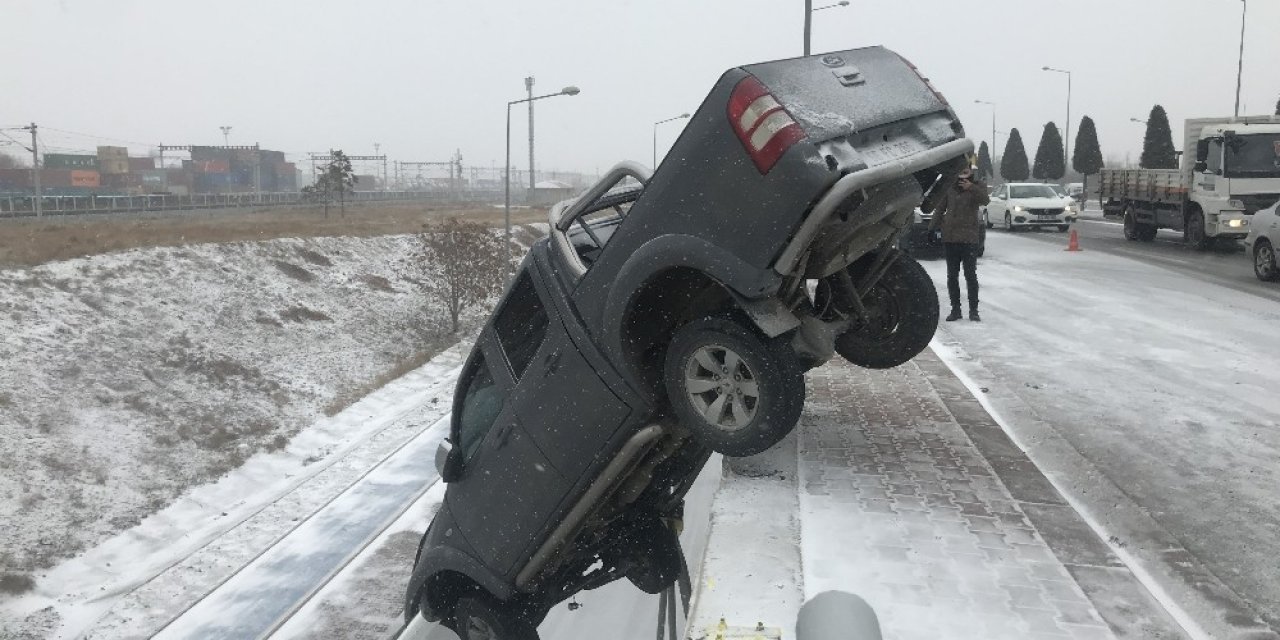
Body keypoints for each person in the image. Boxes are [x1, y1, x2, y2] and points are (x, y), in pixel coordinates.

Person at [928, 168, 988, 321]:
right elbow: (940, 209)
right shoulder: (950, 186)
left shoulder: (978, 185)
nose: (963, 174)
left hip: (969, 238)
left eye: (966, 171)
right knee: (952, 276)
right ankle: (956, 309)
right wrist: (932, 228)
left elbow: (985, 200)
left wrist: (971, 187)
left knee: (970, 275)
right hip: (951, 237)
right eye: (960, 171)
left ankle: (974, 310)